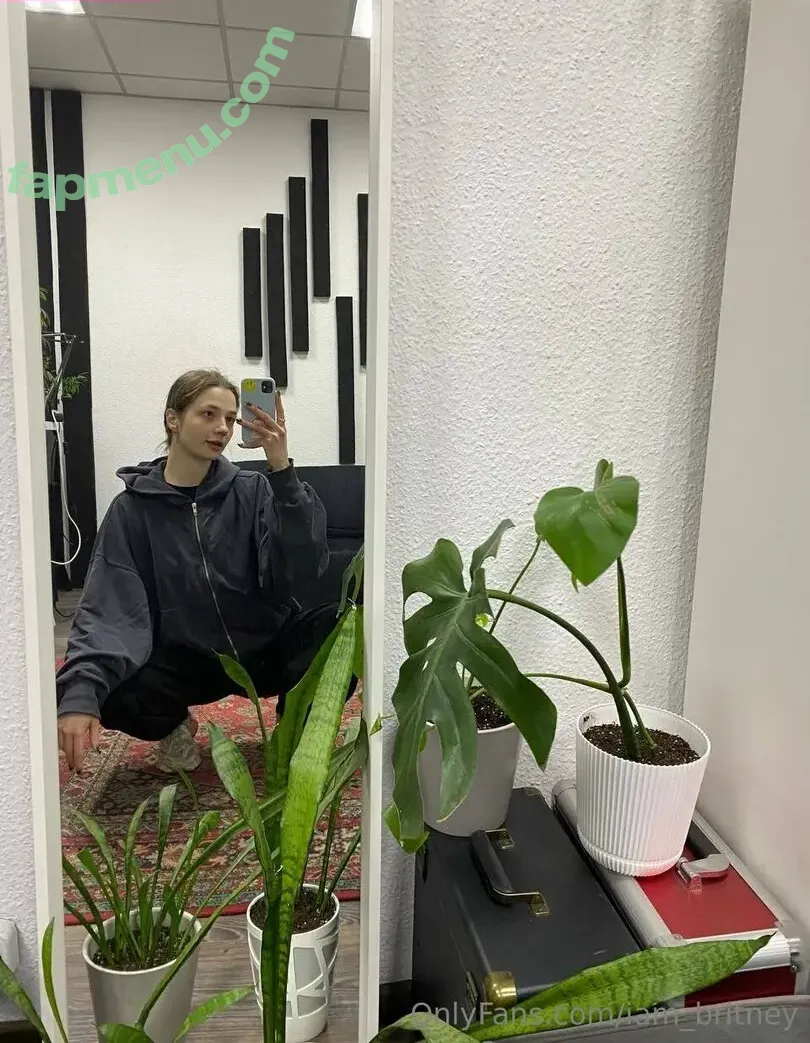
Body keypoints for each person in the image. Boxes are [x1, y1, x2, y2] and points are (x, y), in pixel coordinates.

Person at [56, 368, 342, 774]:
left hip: (265, 647)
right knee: (108, 691)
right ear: (173, 419)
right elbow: (107, 608)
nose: (222, 428)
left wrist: (281, 469)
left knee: (340, 628)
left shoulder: (253, 490)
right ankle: (173, 725)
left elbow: (302, 572)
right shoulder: (132, 511)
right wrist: (81, 692)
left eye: (230, 417)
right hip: (188, 661)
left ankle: (294, 725)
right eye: (208, 414)